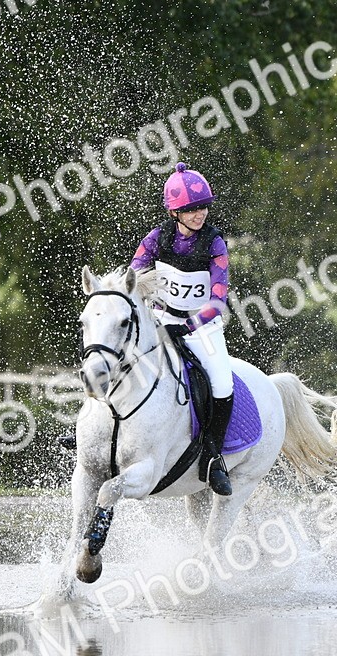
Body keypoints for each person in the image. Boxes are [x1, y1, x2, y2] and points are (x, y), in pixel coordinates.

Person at [128, 162, 234, 496]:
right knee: (116, 354)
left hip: (202, 325)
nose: (198, 214)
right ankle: (97, 432)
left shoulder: (215, 243)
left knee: (221, 381)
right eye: (190, 209)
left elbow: (218, 299)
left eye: (202, 207)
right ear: (175, 213)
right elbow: (132, 276)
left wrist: (188, 325)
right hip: (160, 317)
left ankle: (214, 456)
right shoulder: (156, 239)